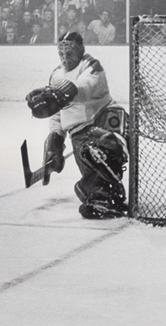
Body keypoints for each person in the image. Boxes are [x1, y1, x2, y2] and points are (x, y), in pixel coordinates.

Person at [25, 32, 128, 220]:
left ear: (81, 49)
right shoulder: (55, 74)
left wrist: (57, 93)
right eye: (61, 54)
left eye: (69, 53)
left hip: (105, 120)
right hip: (79, 134)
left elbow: (84, 89)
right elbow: (57, 114)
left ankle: (105, 187)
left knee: (105, 147)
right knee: (94, 169)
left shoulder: (91, 66)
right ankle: (99, 194)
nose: (65, 58)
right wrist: (54, 141)